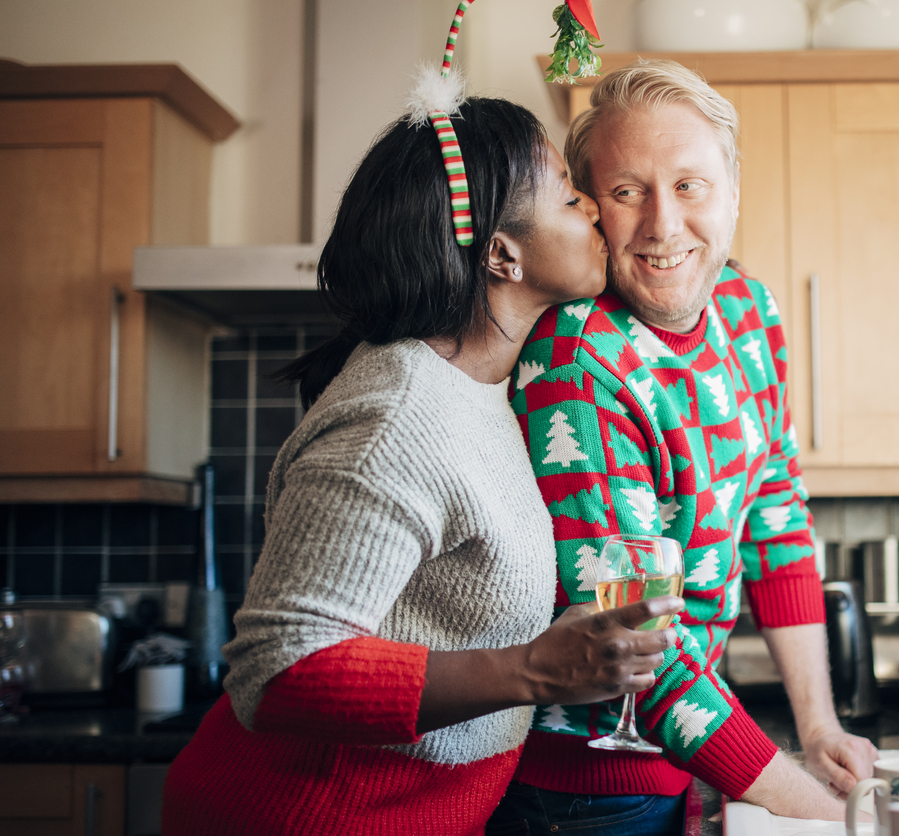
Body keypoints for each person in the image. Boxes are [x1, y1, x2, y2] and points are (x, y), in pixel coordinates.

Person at [161, 90, 684, 836]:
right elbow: (276, 671)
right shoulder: (399, 417)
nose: (597, 210)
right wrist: (534, 669)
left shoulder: (484, 384)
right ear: (502, 253)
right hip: (311, 816)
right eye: (571, 198)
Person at [487, 60, 879, 834]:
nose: (663, 225)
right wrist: (833, 817)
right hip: (580, 790)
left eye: (690, 186)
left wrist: (820, 728)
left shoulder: (749, 306)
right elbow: (630, 641)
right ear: (593, 209)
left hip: (684, 759)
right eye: (629, 192)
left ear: (733, 188)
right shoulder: (576, 358)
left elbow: (776, 518)